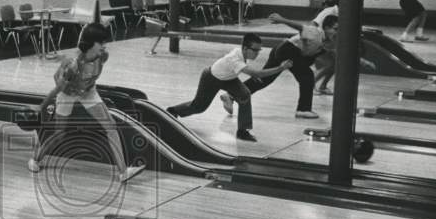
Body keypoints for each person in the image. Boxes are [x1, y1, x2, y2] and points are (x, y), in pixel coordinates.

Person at [29, 23, 143, 182]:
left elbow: (91, 75)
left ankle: (123, 172)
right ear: (90, 43)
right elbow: (57, 84)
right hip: (67, 94)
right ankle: (35, 159)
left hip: (88, 92)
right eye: (101, 42)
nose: (105, 46)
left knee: (110, 126)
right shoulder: (72, 63)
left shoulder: (103, 56)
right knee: (59, 134)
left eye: (105, 42)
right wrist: (41, 107)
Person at [168, 33, 291, 142]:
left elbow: (246, 71)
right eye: (255, 50)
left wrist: (253, 75)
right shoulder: (235, 59)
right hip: (211, 78)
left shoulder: (241, 53)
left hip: (229, 79)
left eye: (259, 50)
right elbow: (257, 73)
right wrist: (281, 68)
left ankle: (242, 131)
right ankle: (172, 111)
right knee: (199, 107)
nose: (257, 53)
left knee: (245, 94)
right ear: (245, 48)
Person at [242, 12, 338, 118]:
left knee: (265, 79)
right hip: (288, 50)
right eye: (335, 29)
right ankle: (303, 109)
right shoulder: (316, 32)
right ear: (327, 27)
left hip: (280, 49)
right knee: (307, 76)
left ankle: (234, 94)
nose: (338, 32)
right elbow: (300, 27)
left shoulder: (330, 41)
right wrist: (282, 19)